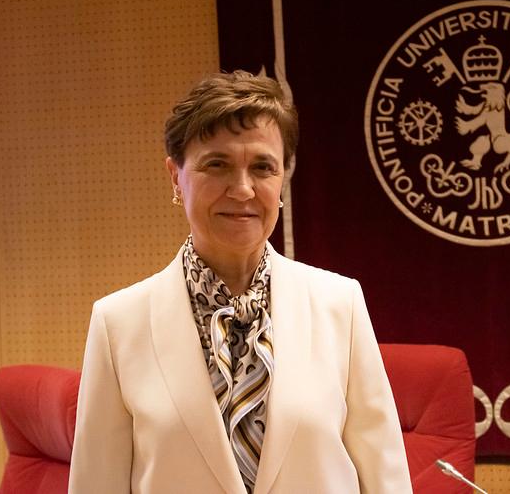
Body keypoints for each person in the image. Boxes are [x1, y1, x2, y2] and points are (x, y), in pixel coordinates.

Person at [68, 71, 413, 494]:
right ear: (175, 177)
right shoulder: (117, 323)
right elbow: (95, 485)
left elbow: (386, 479)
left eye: (263, 168)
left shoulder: (340, 303)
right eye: (217, 164)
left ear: (282, 180)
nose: (244, 189)